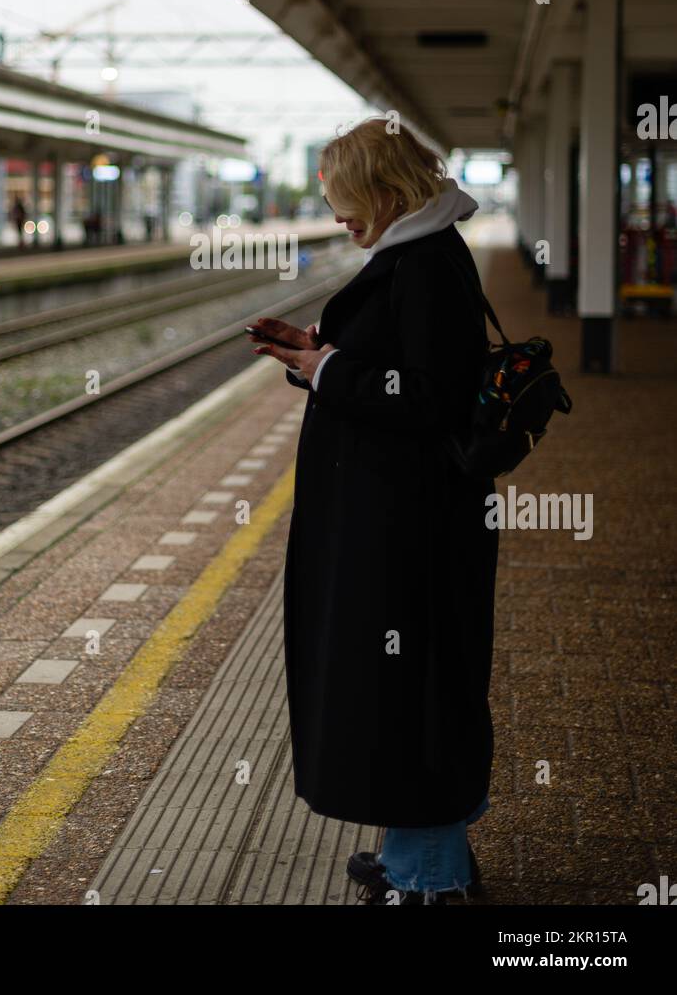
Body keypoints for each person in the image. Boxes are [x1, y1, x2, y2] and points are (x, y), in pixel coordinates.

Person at [249, 117, 498, 906]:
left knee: (409, 691)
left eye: (347, 201)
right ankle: (412, 857)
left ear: (390, 195)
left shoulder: (423, 264)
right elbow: (400, 369)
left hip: (407, 531)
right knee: (403, 691)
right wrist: (318, 353)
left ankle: (427, 884)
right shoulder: (417, 253)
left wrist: (328, 368)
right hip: (403, 522)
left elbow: (427, 397)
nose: (335, 217)